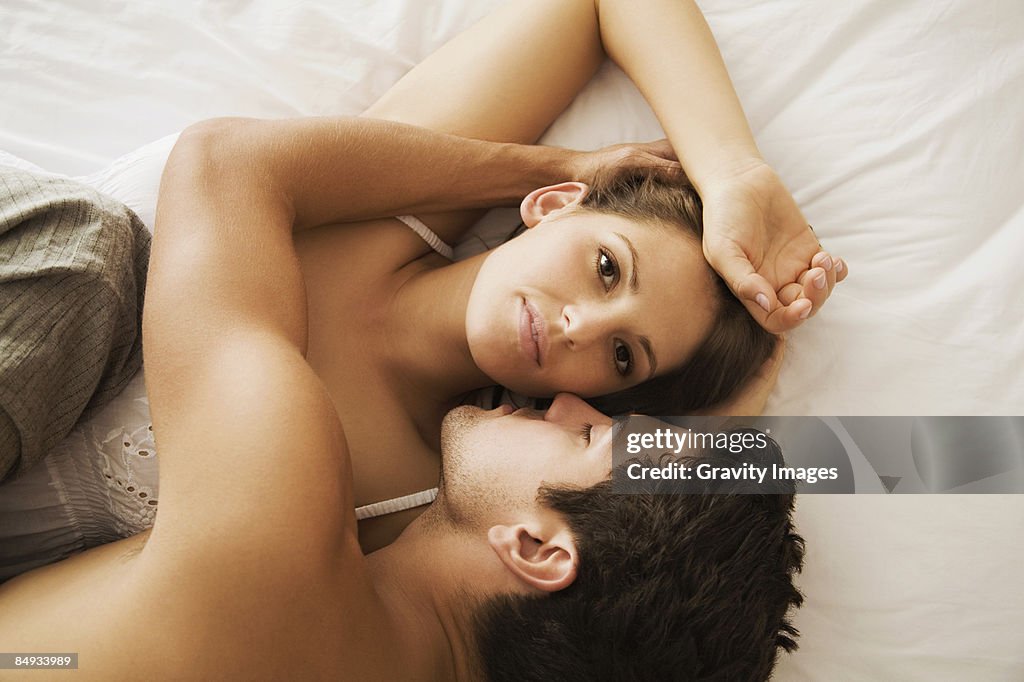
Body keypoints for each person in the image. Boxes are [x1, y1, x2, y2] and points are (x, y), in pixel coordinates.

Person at [0, 0, 845, 560]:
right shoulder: (381, 197)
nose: (582, 327)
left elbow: (900, 458)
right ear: (554, 205)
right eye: (604, 268)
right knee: (86, 253)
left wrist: (744, 404)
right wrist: (734, 173)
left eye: (623, 357)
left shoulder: (417, 505)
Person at [0, 117, 805, 679]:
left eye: (592, 436)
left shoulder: (273, 535)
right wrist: (741, 401)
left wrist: (562, 168)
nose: (568, 403)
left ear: (535, 549)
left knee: (79, 248)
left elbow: (223, 161)